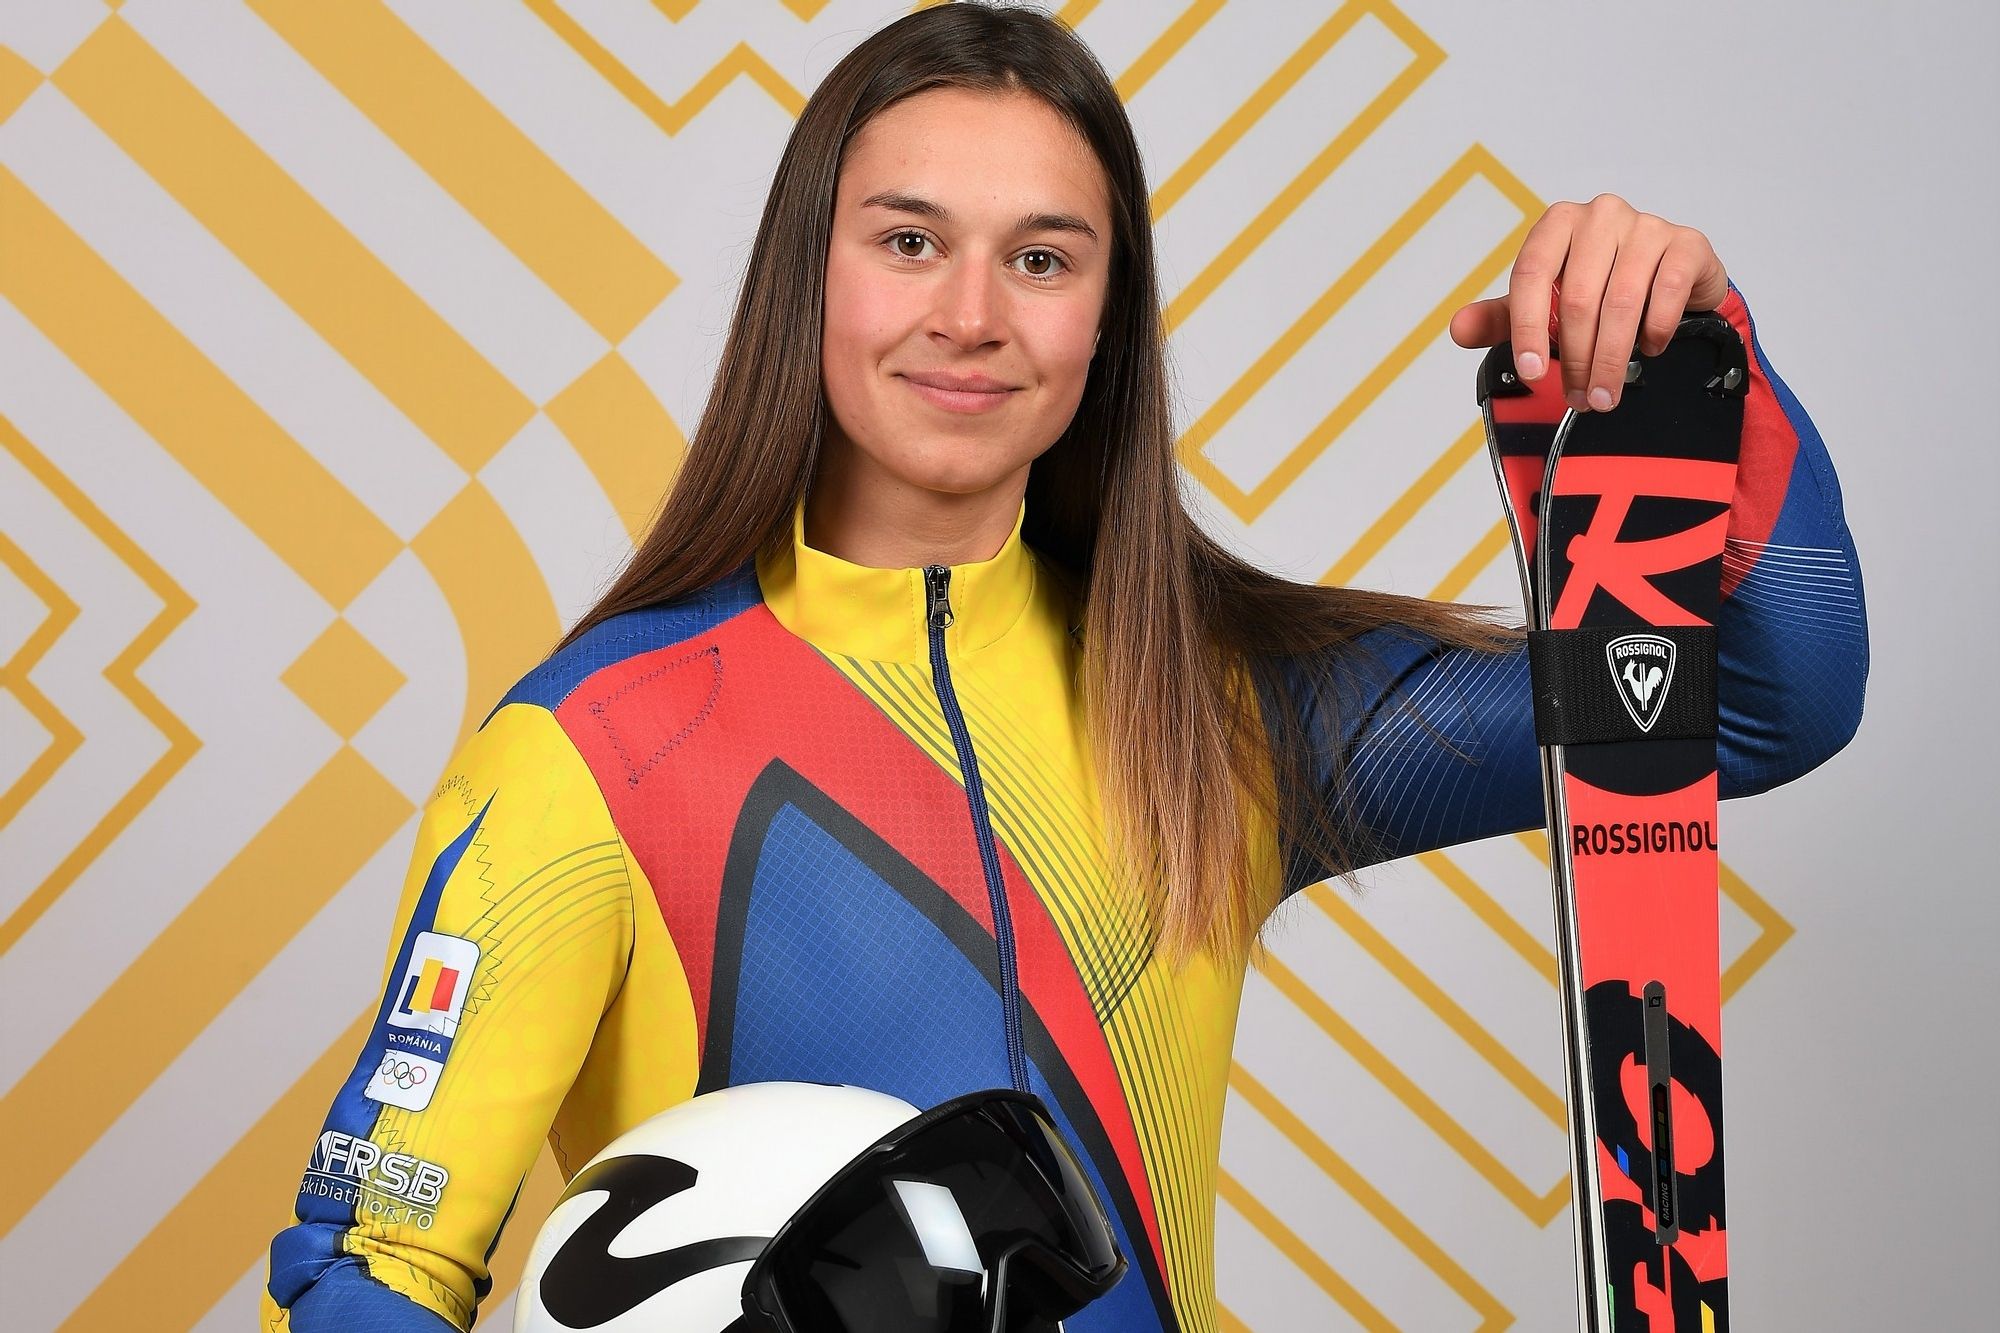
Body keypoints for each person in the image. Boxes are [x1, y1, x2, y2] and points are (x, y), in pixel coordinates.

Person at [261, 5, 1868, 1331]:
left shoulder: (1223, 708)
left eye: (1042, 259)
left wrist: (1704, 359)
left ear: (1108, 318)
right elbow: (367, 1267)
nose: (972, 316)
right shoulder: (595, 749)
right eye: (909, 241)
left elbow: (1754, 701)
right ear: (809, 272)